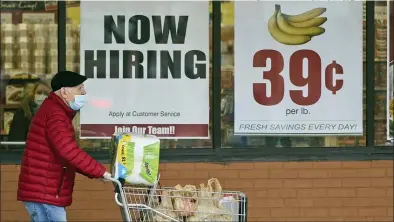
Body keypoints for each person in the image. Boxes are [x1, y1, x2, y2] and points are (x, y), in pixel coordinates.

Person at [17, 71, 112, 222]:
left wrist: (97, 173)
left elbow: (67, 155)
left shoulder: (55, 111)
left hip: (44, 190)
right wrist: (101, 171)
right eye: (80, 88)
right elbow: (69, 151)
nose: (84, 92)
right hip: (45, 192)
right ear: (64, 92)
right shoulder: (56, 115)